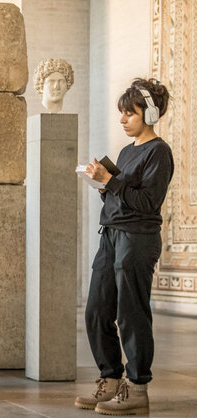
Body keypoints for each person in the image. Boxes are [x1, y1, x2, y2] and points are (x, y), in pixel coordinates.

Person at [76, 78, 173, 416]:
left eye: (129, 114)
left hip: (138, 239)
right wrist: (103, 183)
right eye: (121, 114)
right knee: (97, 310)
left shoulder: (159, 151)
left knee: (130, 313)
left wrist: (111, 182)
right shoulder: (127, 152)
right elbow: (122, 195)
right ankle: (111, 379)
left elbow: (148, 203)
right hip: (112, 234)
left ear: (150, 113)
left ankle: (137, 386)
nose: (122, 120)